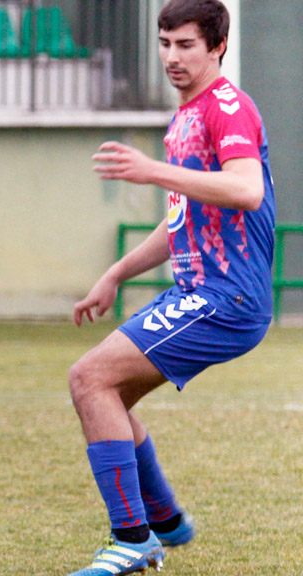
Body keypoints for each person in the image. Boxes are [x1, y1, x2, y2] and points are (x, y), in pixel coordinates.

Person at [68, 1, 275, 574]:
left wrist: (151, 171)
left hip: (225, 297)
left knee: (89, 379)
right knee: (111, 398)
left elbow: (246, 191)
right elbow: (183, 218)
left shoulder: (228, 107)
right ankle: (164, 521)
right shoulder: (186, 116)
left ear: (217, 47)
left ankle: (133, 538)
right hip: (200, 291)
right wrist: (115, 274)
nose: (171, 57)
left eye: (185, 45)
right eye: (164, 43)